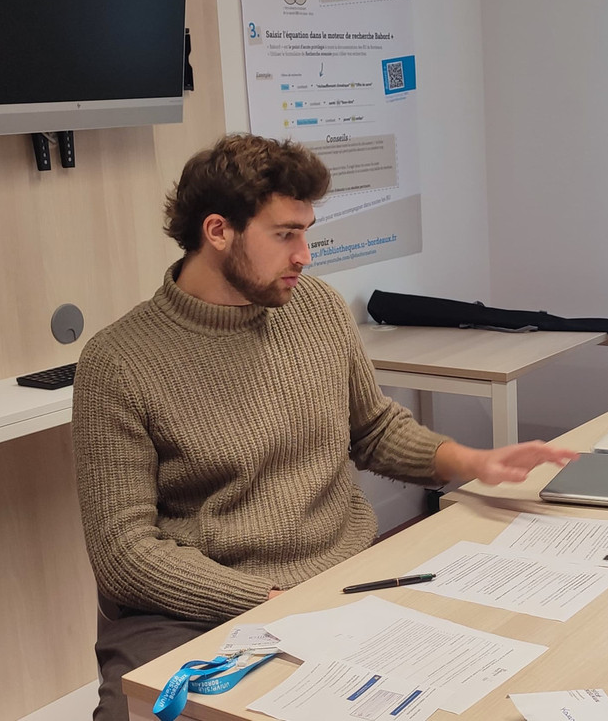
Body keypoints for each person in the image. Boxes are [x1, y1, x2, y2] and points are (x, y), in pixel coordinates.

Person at [72, 134, 577, 720]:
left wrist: (470, 463)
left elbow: (373, 430)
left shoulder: (316, 308)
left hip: (340, 580)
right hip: (194, 608)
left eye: (306, 231)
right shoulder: (118, 361)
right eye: (285, 234)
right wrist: (270, 603)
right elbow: (124, 553)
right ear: (217, 232)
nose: (304, 254)